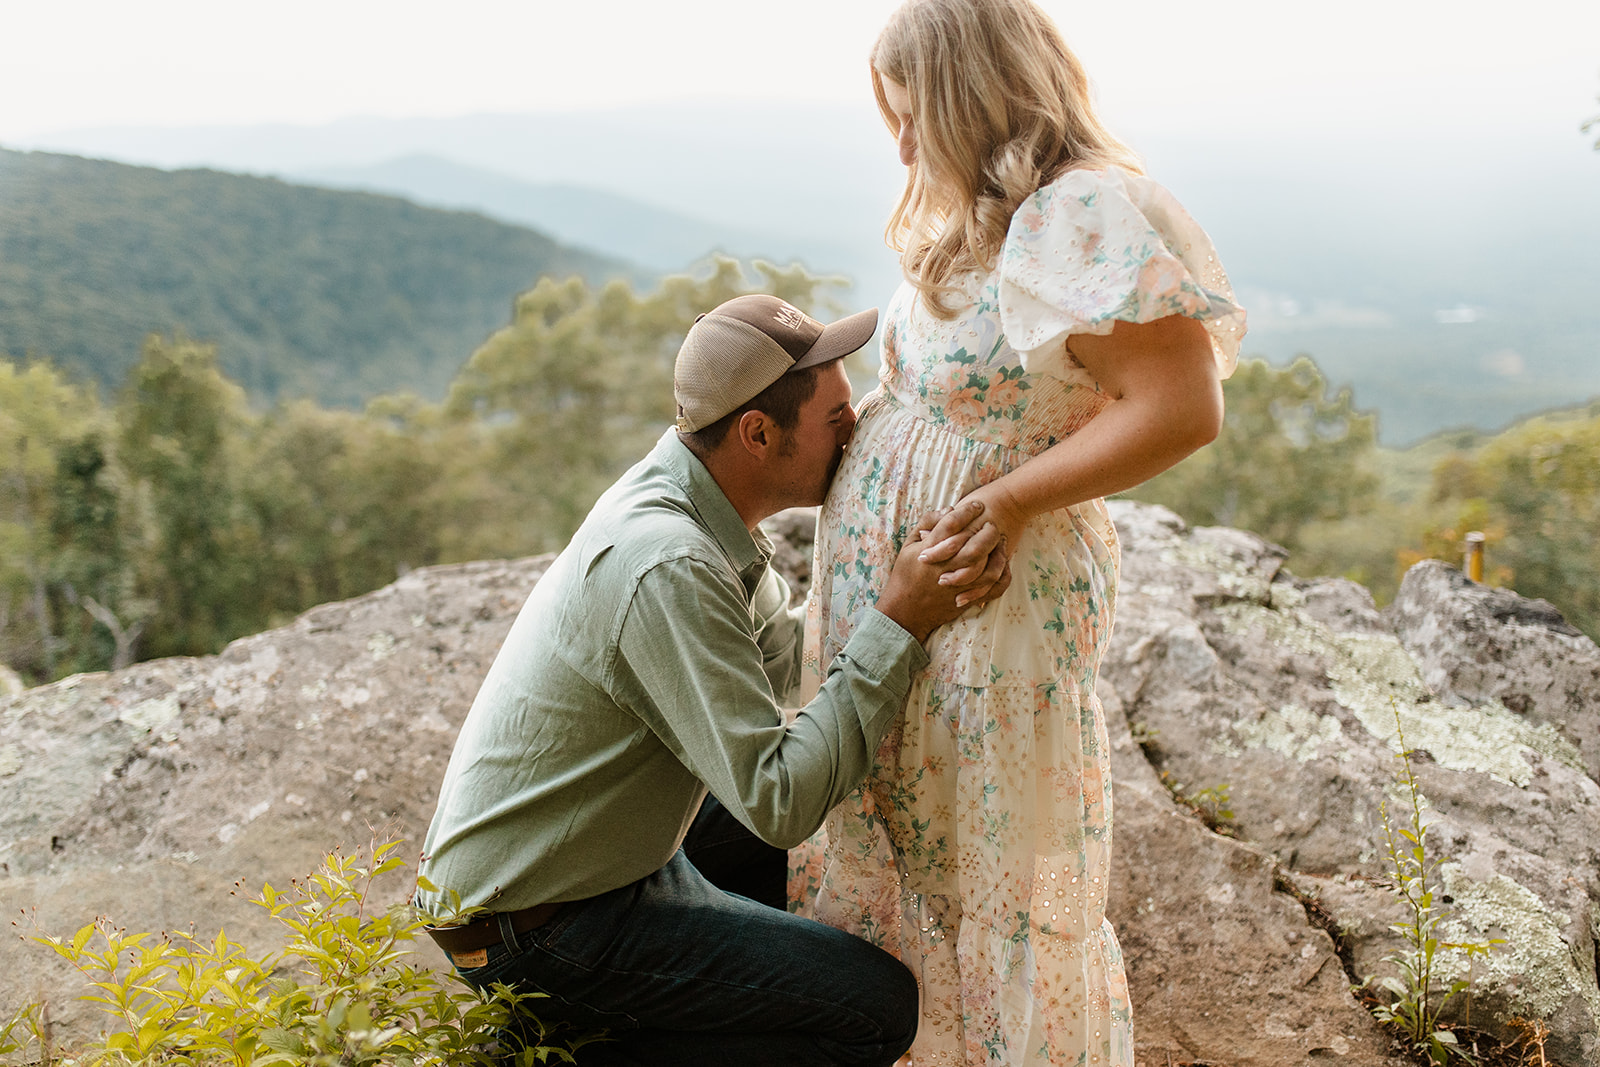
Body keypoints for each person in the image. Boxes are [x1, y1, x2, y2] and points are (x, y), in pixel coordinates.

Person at [791, 2, 1248, 1064]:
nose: (902, 143)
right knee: (919, 843)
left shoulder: (1088, 207)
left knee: (992, 854)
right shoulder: (978, 213)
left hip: (996, 600)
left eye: (911, 115)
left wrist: (1000, 501)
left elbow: (1179, 409)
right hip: (914, 603)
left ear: (967, 90)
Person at [414, 293, 1011, 1067]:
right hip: (539, 925)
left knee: (824, 824)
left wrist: (912, 581)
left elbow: (787, 655)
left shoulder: (703, 506)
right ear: (757, 433)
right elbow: (779, 797)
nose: (853, 430)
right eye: (836, 419)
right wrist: (898, 623)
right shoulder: (670, 560)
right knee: (872, 1009)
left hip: (605, 855)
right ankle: (560, 1044)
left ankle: (654, 1012)